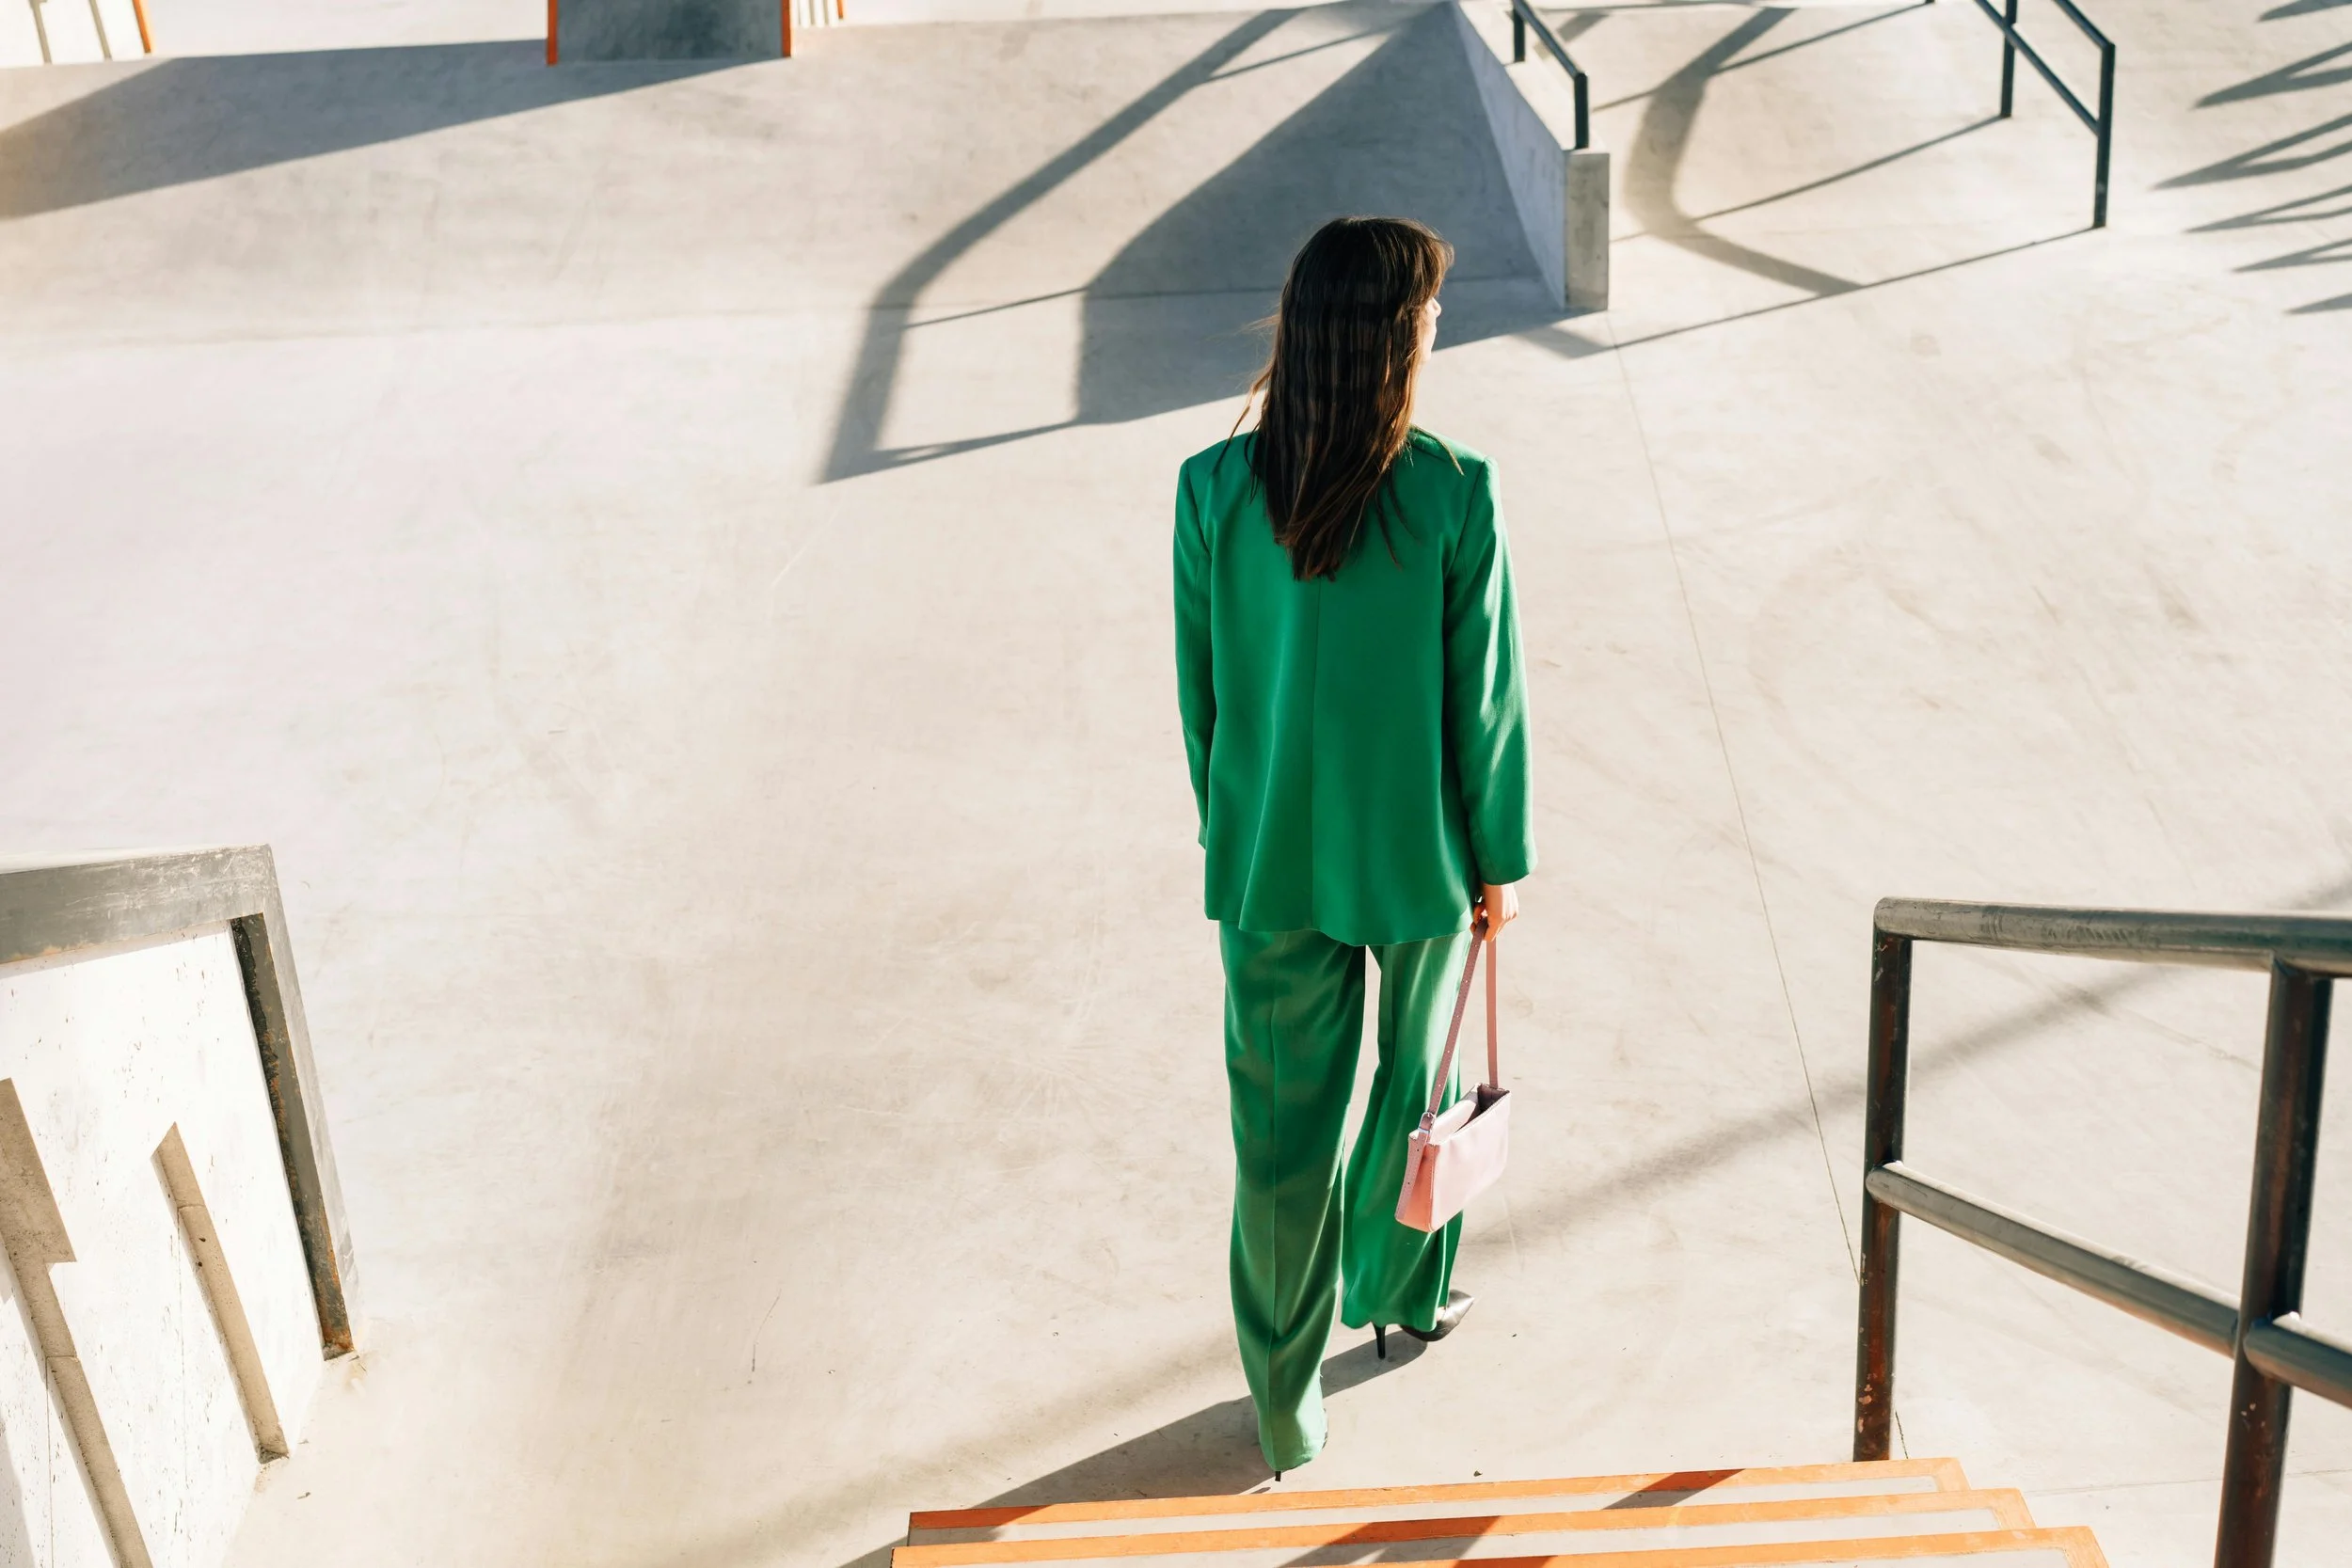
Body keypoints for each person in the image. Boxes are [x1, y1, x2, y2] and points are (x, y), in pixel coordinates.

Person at [1171, 215, 1535, 1475]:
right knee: (1414, 1092)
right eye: (1427, 314)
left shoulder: (1211, 492)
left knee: (1278, 1144)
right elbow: (1481, 698)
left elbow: (1202, 697)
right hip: (1421, 857)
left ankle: (1284, 1407)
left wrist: (1236, 823)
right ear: (1390, 339)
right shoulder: (1453, 490)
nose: (1438, 329)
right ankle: (1402, 1283)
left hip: (1270, 859)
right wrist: (1499, 857)